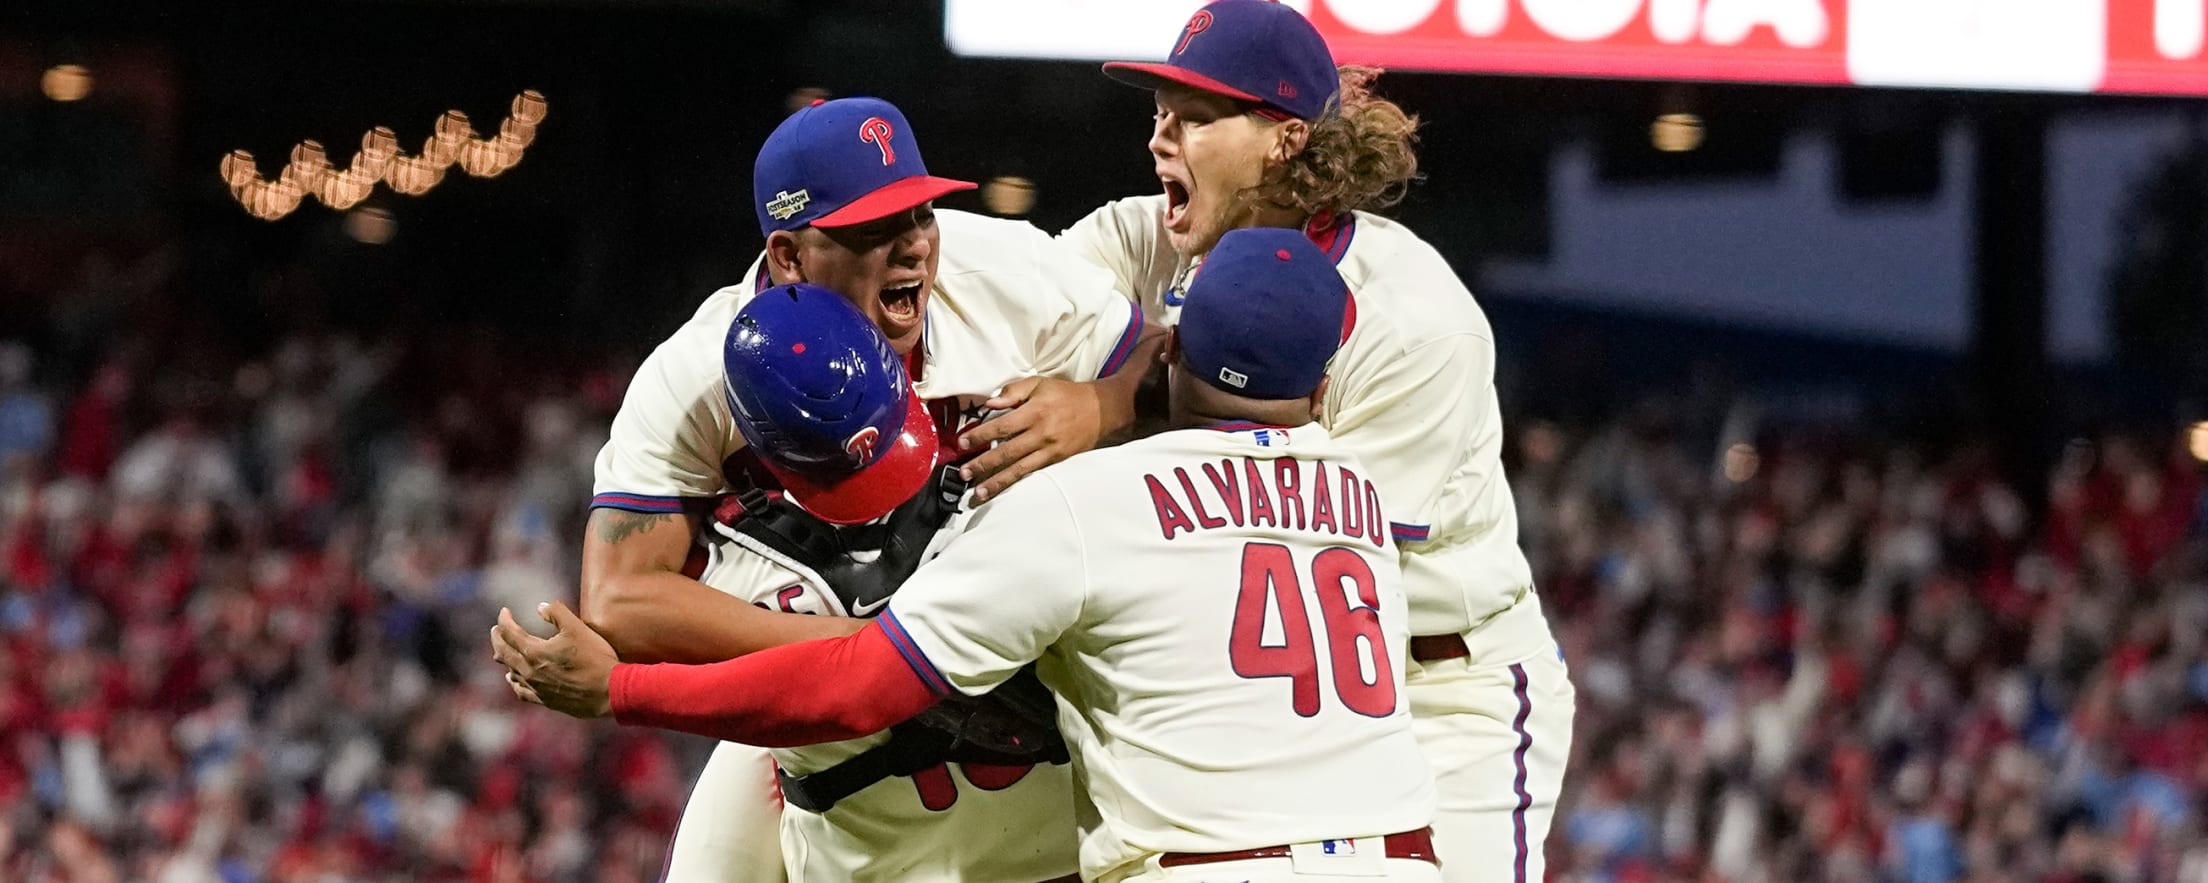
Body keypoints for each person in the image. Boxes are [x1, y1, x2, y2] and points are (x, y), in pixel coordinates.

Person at [495, 227, 1443, 883]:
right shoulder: (1363, 497)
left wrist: (619, 692)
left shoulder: (1087, 505)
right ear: (1323, 382)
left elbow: (859, 681)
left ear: (1172, 345)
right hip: (1407, 854)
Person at [579, 97, 1161, 881]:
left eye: (920, 213)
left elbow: (1167, 363)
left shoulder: (1001, 271)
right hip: (841, 712)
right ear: (788, 255)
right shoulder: (698, 372)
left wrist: (1103, 403)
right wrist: (869, 657)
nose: (915, 247)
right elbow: (618, 600)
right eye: (872, 229)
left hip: (1031, 705)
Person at [1058, 3, 1577, 880]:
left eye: (1195, 117)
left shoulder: (1412, 320)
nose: (1159, 139)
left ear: (1285, 141)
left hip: (1441, 686)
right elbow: (989, 283)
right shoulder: (1148, 238)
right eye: (1158, 113)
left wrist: (1112, 407)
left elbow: (1285, 538)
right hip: (1278, 674)